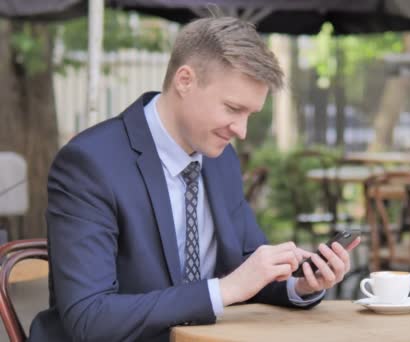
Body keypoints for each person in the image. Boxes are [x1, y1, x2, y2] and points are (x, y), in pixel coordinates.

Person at [30, 17, 359, 342]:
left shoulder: (221, 158)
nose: (241, 132)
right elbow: (90, 318)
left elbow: (246, 267)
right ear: (185, 81)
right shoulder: (90, 163)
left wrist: (300, 284)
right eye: (232, 108)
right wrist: (225, 289)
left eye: (250, 115)